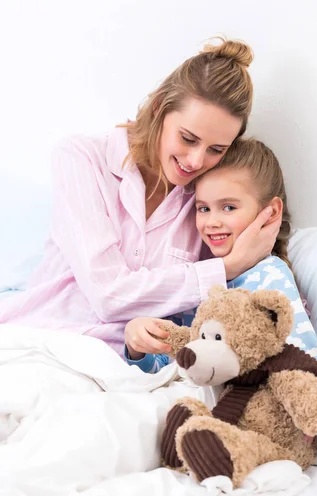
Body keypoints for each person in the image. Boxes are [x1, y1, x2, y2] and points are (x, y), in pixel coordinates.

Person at [0, 39, 281, 356]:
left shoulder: (207, 203)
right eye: (187, 138)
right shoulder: (81, 158)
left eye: (216, 150)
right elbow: (108, 295)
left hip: (129, 365)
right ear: (160, 108)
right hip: (42, 339)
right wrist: (224, 269)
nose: (195, 161)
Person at [124, 138, 317, 425]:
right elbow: (172, 365)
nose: (211, 221)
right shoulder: (199, 279)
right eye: (203, 208)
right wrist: (138, 347)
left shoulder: (269, 276)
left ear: (271, 212)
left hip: (249, 418)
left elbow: (302, 360)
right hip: (187, 408)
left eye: (228, 208)